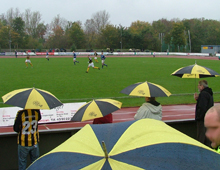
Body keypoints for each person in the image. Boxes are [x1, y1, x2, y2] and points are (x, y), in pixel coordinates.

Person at [194, 80, 213, 147]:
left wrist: (199, 117)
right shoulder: (208, 93)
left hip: (202, 120)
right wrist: (198, 99)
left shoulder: (203, 94)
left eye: (198, 85)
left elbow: (202, 107)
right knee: (207, 139)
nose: (198, 87)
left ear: (202, 86)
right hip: (208, 118)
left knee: (201, 138)